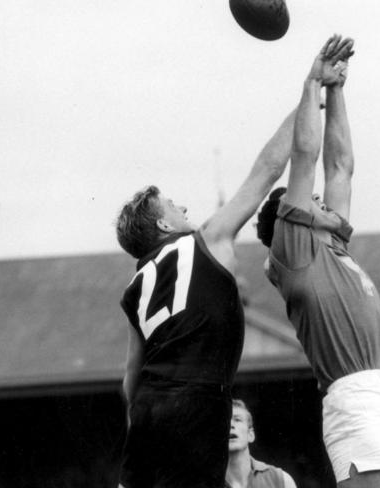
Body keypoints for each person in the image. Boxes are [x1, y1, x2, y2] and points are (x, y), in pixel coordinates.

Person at [256, 35, 380, 488]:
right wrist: (312, 83)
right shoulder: (294, 250)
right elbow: (307, 156)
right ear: (289, 220)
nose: (320, 199)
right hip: (354, 399)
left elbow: (341, 166)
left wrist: (337, 90)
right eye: (310, 199)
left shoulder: (332, 243)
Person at [115, 103, 297, 487]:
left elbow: (130, 377)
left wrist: (145, 423)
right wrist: (306, 98)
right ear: (165, 224)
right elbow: (266, 171)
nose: (182, 206)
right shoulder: (205, 242)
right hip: (196, 401)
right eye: (172, 206)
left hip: (149, 406)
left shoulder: (135, 287)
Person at [226, 399, 297, 488]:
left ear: (250, 435)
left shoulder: (281, 480)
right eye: (224, 421)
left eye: (237, 419)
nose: (230, 425)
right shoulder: (205, 482)